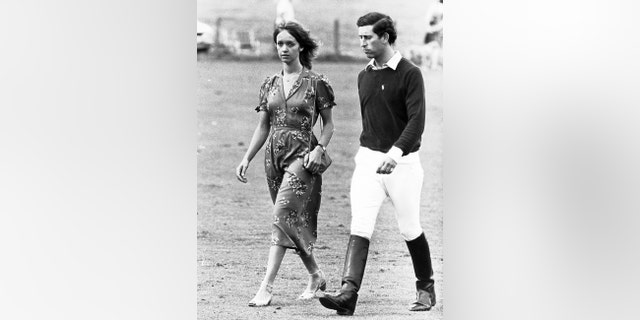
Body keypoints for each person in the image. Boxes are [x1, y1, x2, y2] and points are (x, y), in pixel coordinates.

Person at [318, 12, 436, 315]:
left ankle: (426, 288)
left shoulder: (411, 74)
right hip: (368, 161)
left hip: (404, 164)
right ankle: (348, 294)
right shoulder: (364, 76)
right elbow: (374, 123)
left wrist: (395, 154)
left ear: (385, 37)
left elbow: (416, 122)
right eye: (359, 37)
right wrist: (372, 156)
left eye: (368, 37)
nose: (362, 43)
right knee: (360, 224)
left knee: (409, 227)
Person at [235, 21, 336, 307]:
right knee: (288, 221)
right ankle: (316, 274)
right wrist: (246, 157)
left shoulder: (317, 83)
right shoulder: (269, 84)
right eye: (280, 43)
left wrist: (320, 149)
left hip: (304, 156)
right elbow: (263, 126)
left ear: (301, 46)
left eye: (289, 43)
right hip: (273, 157)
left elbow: (329, 126)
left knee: (281, 215)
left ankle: (266, 287)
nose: (283, 48)